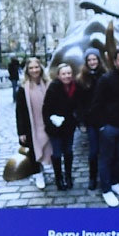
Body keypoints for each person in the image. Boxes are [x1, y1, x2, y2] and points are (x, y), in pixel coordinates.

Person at [89, 46, 119, 207]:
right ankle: (106, 189)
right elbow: (96, 104)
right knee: (106, 159)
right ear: (115, 62)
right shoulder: (106, 79)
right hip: (110, 127)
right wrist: (102, 126)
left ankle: (114, 181)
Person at [41, 61, 83, 190]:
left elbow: (78, 106)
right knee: (57, 154)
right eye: (64, 74)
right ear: (59, 75)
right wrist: (50, 123)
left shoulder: (75, 86)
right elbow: (46, 108)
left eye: (69, 73)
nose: (67, 76)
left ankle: (68, 176)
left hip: (69, 127)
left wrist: (77, 120)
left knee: (68, 152)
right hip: (56, 128)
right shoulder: (54, 87)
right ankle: (59, 178)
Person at [14, 56, 52, 189]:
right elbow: (19, 112)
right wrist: (21, 132)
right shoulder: (23, 89)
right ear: (27, 70)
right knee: (33, 150)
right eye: (31, 68)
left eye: (36, 67)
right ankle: (38, 173)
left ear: (40, 68)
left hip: (47, 124)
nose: (34, 70)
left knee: (46, 146)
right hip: (31, 125)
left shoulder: (48, 84)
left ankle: (42, 166)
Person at [79, 49, 105, 189]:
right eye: (89, 60)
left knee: (106, 151)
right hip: (91, 122)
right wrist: (82, 121)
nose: (92, 62)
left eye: (94, 59)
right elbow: (80, 104)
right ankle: (92, 177)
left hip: (105, 120)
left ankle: (106, 176)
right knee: (94, 151)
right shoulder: (82, 79)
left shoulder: (105, 76)